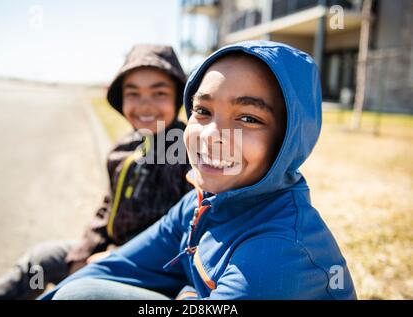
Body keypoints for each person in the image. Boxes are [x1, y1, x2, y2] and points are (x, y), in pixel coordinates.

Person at [39, 40, 356, 300]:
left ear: (288, 140)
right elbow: (113, 268)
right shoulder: (201, 203)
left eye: (248, 118)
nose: (210, 137)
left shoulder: (277, 255)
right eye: (202, 111)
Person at [0, 44, 192, 299]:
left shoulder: (188, 154)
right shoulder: (124, 148)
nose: (145, 106)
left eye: (159, 94)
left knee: (75, 293)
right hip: (107, 250)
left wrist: (115, 258)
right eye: (133, 93)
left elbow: (190, 233)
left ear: (178, 97)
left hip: (151, 272)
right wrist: (84, 251)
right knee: (40, 261)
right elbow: (108, 207)